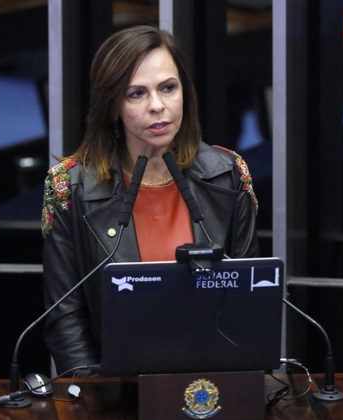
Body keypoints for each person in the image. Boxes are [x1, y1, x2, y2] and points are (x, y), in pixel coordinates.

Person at [41, 25, 259, 374]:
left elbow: (249, 301)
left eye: (168, 88)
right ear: (113, 105)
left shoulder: (228, 175)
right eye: (136, 94)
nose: (157, 106)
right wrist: (98, 396)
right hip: (113, 390)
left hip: (211, 386)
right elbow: (65, 318)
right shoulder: (70, 187)